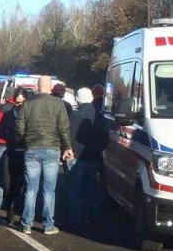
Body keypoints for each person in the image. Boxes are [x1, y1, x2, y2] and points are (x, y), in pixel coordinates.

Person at [17, 75, 73, 234]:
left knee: (31, 189)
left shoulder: (27, 104)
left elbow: (19, 126)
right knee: (49, 190)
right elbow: (64, 128)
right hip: (52, 149)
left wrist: (24, 140)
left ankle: (26, 223)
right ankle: (48, 225)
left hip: (32, 148)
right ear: (50, 88)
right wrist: (67, 147)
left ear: (37, 87)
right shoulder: (58, 103)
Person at [67, 87, 109, 228]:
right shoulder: (99, 116)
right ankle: (93, 216)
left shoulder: (76, 114)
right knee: (92, 189)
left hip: (77, 157)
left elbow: (70, 135)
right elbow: (105, 138)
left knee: (75, 189)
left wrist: (69, 150)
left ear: (77, 99)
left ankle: (75, 218)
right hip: (94, 158)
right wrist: (98, 151)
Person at [0, 88, 31, 224]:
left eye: (22, 102)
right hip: (11, 153)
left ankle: (22, 214)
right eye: (17, 102)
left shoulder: (30, 116)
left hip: (26, 154)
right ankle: (9, 212)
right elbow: (0, 132)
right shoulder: (8, 115)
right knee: (9, 184)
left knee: (25, 187)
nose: (19, 105)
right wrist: (13, 138)